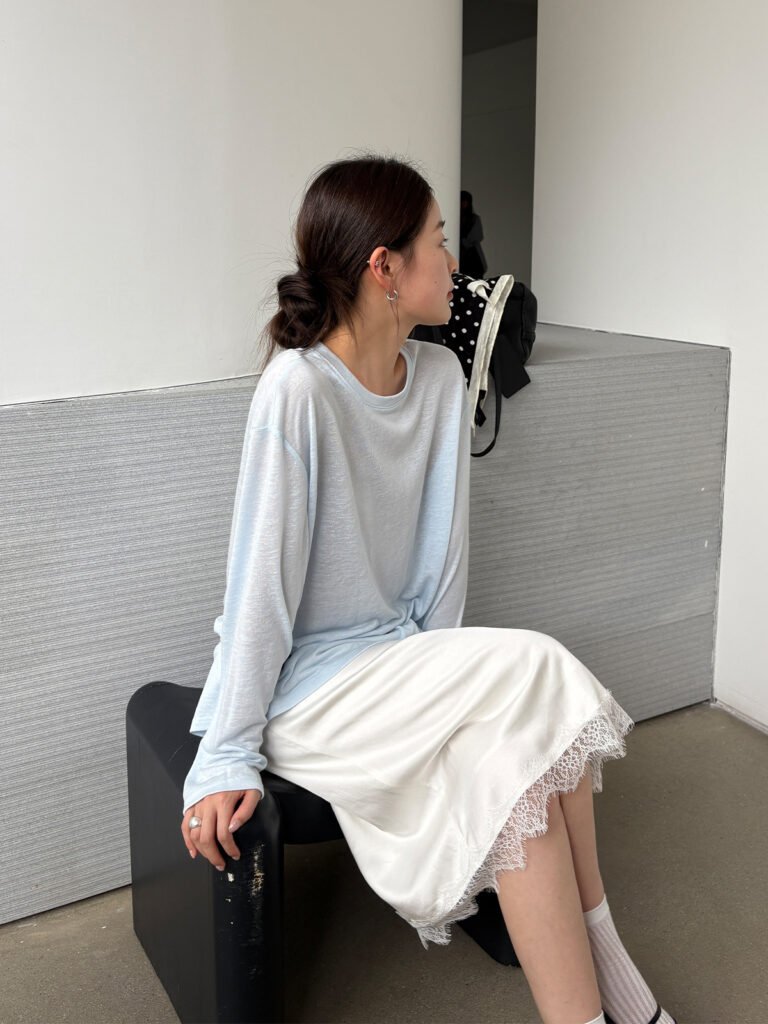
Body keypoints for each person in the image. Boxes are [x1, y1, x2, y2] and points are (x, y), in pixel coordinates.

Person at [179, 154, 676, 1024]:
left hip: (404, 668)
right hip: (311, 691)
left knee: (514, 766)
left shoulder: (442, 378)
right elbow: (259, 595)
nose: (456, 264)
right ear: (385, 268)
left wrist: (448, 701)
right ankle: (618, 977)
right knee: (539, 666)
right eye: (440, 243)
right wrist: (224, 754)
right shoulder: (297, 393)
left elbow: (443, 573)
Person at [460, 189, 488, 279]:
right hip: (460, 253)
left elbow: (478, 236)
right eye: (462, 200)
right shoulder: (455, 218)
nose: (464, 203)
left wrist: (465, 242)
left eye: (466, 201)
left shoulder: (474, 218)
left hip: (472, 255)